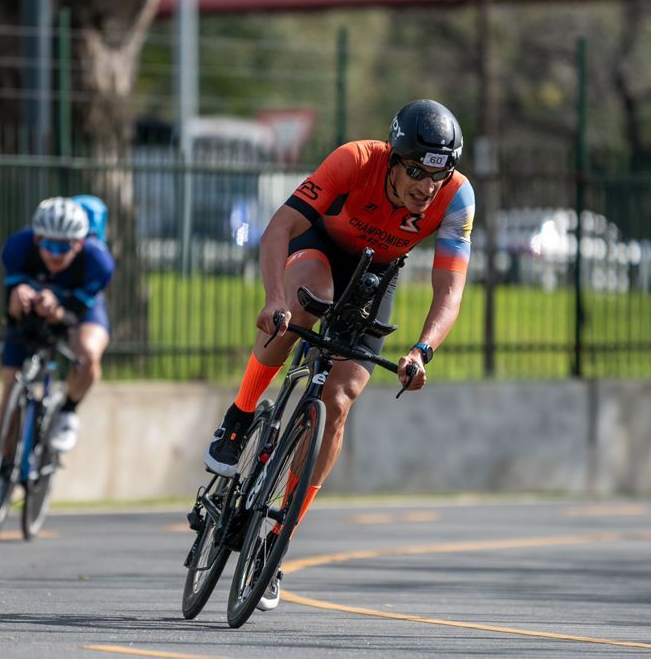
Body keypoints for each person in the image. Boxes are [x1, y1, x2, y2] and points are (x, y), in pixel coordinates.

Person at [202, 99, 475, 608]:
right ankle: (239, 417)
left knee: (342, 397)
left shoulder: (457, 199)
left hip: (375, 273)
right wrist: (275, 299)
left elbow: (449, 291)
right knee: (308, 307)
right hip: (318, 246)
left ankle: (276, 540)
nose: (425, 187)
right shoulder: (354, 160)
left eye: (438, 175)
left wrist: (422, 351)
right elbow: (278, 228)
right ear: (393, 159)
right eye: (415, 171)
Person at [0, 196, 115, 457]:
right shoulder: (18, 247)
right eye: (47, 244)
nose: (53, 254)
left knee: (88, 354)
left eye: (63, 248)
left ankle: (68, 410)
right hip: (33, 312)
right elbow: (10, 312)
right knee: (9, 396)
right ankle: (1, 473)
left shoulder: (98, 262)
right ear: (36, 238)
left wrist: (56, 310)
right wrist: (18, 297)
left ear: (80, 243)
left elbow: (74, 316)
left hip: (76, 309)